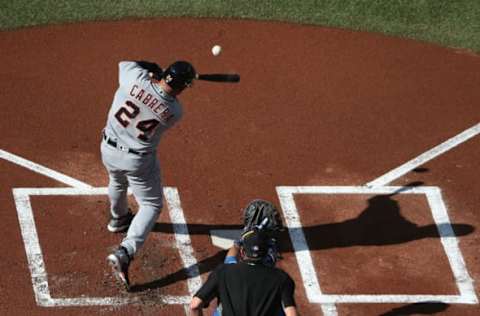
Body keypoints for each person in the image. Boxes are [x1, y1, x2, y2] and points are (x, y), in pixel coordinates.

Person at [101, 59, 196, 290]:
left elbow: (125, 62)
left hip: (108, 148)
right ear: (183, 87)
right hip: (137, 160)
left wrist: (151, 67)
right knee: (152, 204)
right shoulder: (174, 111)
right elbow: (160, 97)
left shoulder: (133, 78)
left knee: (116, 179)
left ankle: (118, 218)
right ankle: (126, 251)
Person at [190, 220, 298, 316]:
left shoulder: (224, 271)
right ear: (267, 253)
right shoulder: (281, 278)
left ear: (242, 252)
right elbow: (291, 314)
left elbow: (195, 305)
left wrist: (239, 242)